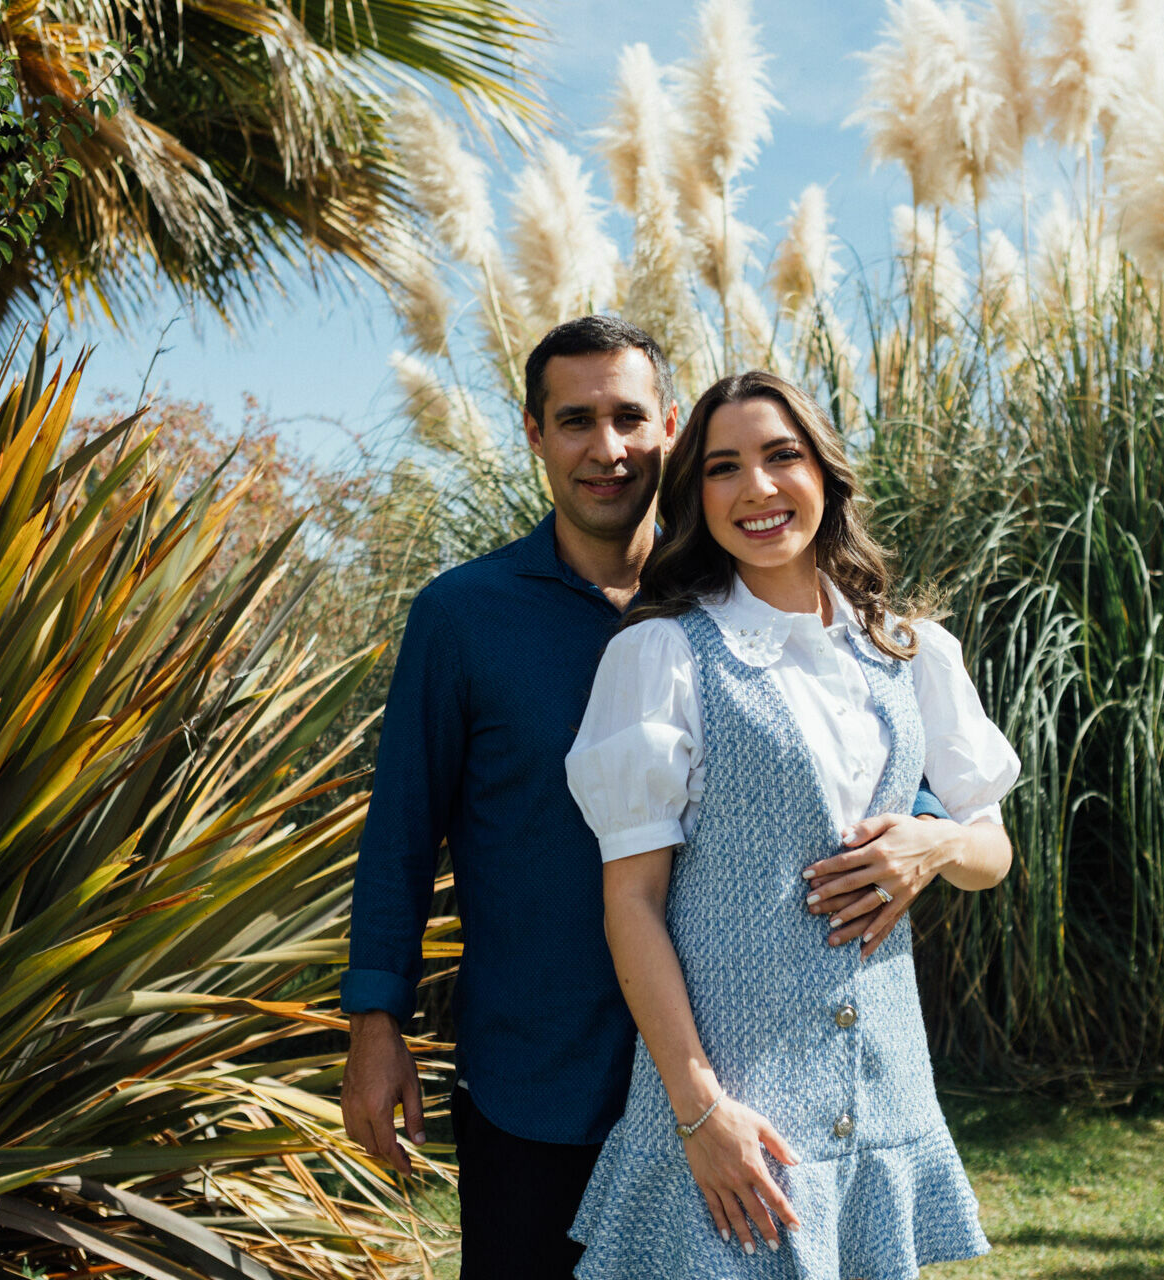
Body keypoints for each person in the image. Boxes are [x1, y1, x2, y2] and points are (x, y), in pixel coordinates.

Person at [340, 319, 999, 1280]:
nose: (606, 449)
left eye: (628, 418)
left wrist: (928, 843)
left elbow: (908, 786)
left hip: (748, 1073)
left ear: (670, 431)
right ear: (534, 434)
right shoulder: (465, 617)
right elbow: (401, 835)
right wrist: (376, 1021)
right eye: (574, 421)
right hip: (544, 1076)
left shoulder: (744, 602)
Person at [562, 370, 1019, 1278]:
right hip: (734, 1127)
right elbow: (633, 906)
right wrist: (701, 1113)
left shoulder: (911, 649)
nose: (758, 490)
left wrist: (936, 844)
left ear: (826, 475)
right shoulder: (662, 655)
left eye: (782, 457)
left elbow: (990, 851)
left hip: (883, 1104)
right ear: (696, 497)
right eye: (724, 468)